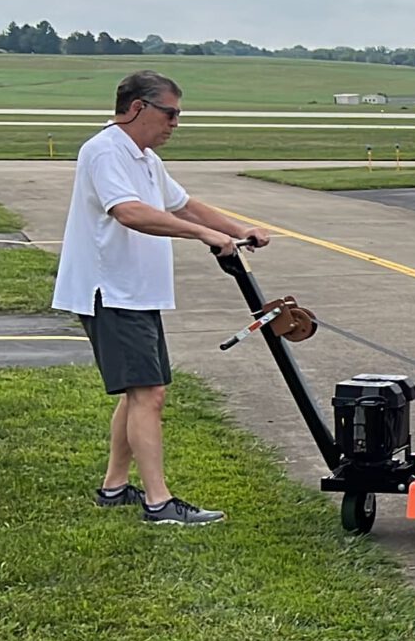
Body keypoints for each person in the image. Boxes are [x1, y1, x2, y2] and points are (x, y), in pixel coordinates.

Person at [51, 71, 270, 527]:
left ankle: (114, 486)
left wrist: (236, 229)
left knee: (142, 392)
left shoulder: (146, 159)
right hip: (109, 290)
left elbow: (182, 204)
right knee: (147, 393)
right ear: (137, 108)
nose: (175, 123)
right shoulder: (104, 151)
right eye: (169, 113)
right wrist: (203, 235)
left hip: (137, 292)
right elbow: (128, 211)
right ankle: (159, 502)